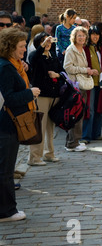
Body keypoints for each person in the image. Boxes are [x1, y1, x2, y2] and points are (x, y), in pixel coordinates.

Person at [0, 27, 40, 222]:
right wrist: (30, 93)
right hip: (7, 125)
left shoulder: (10, 64)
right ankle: (7, 211)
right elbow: (9, 98)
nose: (25, 49)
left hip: (7, 124)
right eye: (22, 46)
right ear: (10, 47)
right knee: (5, 170)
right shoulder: (6, 67)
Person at [27, 32, 64, 165]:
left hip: (54, 96)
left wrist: (58, 75)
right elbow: (33, 58)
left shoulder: (53, 56)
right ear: (39, 43)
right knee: (39, 127)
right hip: (41, 95)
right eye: (44, 41)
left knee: (50, 128)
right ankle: (35, 157)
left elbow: (62, 72)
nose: (47, 43)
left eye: (49, 41)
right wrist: (42, 46)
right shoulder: (35, 56)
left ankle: (49, 153)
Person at [63, 26, 97, 152]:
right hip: (74, 86)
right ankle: (72, 142)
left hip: (81, 85)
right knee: (75, 114)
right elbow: (67, 67)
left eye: (83, 35)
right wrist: (85, 70)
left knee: (79, 114)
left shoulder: (81, 49)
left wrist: (89, 71)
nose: (82, 38)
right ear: (74, 37)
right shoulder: (71, 49)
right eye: (79, 36)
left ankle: (73, 141)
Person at [81, 25, 102, 143]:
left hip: (101, 81)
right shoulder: (85, 49)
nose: (95, 37)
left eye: (97, 34)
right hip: (89, 82)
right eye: (93, 34)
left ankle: (96, 133)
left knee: (99, 108)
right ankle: (86, 135)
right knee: (90, 109)